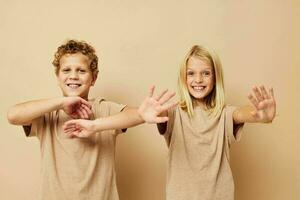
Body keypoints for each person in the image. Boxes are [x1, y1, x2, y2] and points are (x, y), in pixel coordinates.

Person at [7, 39, 176, 200]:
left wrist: (98, 125)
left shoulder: (103, 108)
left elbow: (130, 115)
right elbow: (13, 115)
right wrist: (61, 103)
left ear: (93, 78)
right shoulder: (48, 115)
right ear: (57, 77)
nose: (73, 76)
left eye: (81, 71)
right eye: (66, 70)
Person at [152, 45, 277, 200]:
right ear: (183, 77)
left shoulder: (224, 114)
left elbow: (241, 113)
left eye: (206, 73)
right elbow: (159, 114)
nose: (198, 79)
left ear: (216, 77)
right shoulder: (173, 113)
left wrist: (261, 116)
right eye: (191, 73)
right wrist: (153, 111)